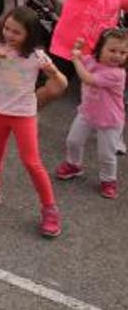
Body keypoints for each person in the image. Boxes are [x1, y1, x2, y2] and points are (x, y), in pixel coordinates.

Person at [0, 7, 68, 239]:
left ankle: (50, 208)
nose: (10, 35)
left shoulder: (37, 56)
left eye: (16, 32)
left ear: (29, 35)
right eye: (7, 29)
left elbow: (62, 85)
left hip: (23, 115)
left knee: (32, 162)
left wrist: (53, 72)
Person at [54, 30, 127, 200]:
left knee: (106, 154)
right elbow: (83, 61)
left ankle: (109, 180)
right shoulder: (93, 61)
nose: (117, 56)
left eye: (123, 52)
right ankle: (73, 165)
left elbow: (87, 78)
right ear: (100, 48)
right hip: (87, 112)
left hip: (110, 121)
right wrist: (78, 50)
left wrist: (75, 59)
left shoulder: (117, 74)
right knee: (73, 141)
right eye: (112, 50)